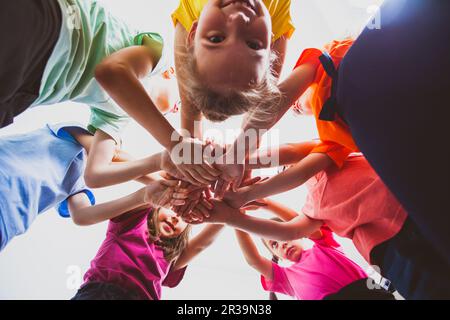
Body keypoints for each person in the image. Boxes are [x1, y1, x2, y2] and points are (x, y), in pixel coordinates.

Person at [0, 0, 219, 187]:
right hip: (56, 26)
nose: (178, 109)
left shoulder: (119, 115)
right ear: (173, 74)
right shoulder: (159, 55)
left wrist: (160, 171)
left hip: (29, 91)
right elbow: (113, 73)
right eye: (181, 101)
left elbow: (95, 175)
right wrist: (176, 144)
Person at [200, 143, 450, 299]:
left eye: (283, 169)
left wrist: (246, 174)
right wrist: (234, 217)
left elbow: (293, 152)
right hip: (392, 253)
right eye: (273, 246)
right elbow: (286, 232)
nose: (280, 245)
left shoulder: (326, 152)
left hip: (410, 209)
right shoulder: (313, 213)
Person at [0, 123, 188, 251]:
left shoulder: (76, 184)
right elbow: (111, 158)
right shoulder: (70, 131)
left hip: (9, 224)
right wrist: (158, 170)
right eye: (114, 143)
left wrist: (144, 195)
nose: (114, 149)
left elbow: (83, 216)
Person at [72, 205, 223, 300]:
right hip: (100, 292)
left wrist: (229, 210)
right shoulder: (132, 223)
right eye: (174, 208)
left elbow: (201, 245)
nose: (177, 217)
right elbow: (151, 195)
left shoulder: (171, 257)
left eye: (185, 218)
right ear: (157, 207)